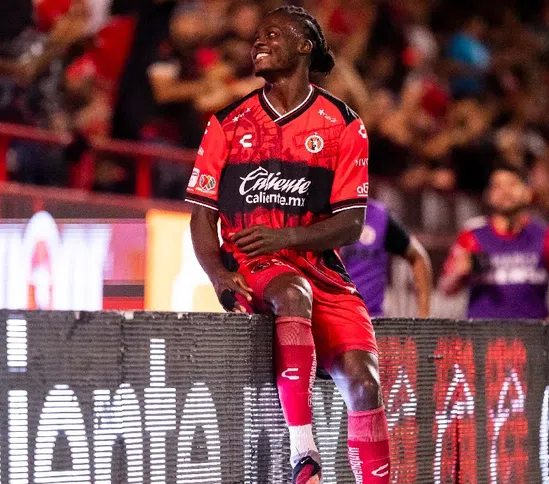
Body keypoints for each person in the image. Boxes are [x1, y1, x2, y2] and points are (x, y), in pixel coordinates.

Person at [187, 6, 390, 483]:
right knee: (292, 292)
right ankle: (304, 452)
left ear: (304, 46)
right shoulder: (226, 122)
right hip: (255, 262)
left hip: (324, 273)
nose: (258, 42)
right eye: (257, 36)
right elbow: (201, 216)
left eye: (272, 34)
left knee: (365, 383)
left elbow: (350, 224)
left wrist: (286, 236)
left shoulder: (344, 125)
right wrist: (219, 276)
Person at [439, 164, 549, 321]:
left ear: (528, 192)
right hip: (482, 332)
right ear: (489, 195)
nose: (505, 192)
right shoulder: (473, 236)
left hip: (533, 333)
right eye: (498, 186)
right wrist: (457, 274)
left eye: (512, 184)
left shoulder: (546, 236)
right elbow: (446, 288)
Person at [339, 199, 433, 317]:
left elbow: (418, 257)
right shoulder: (322, 216)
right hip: (332, 318)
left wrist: (424, 317)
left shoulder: (379, 217)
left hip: (371, 319)